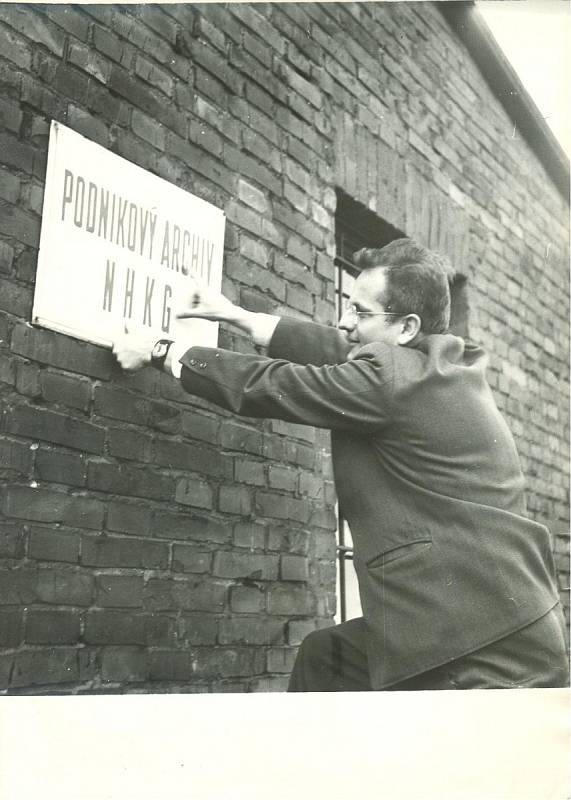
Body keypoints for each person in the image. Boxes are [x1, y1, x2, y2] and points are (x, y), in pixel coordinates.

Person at [113, 238, 569, 691]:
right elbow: (337, 348)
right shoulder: (442, 362)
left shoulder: (389, 379)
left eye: (361, 313)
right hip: (495, 618)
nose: (344, 321)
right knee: (324, 658)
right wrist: (236, 315)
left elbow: (276, 384)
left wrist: (163, 350)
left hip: (485, 654)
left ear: (407, 327)